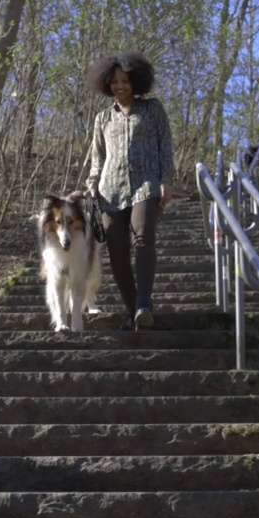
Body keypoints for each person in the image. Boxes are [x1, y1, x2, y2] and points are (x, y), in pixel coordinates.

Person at [85, 50, 174, 331]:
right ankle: (133, 310)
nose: (119, 86)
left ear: (135, 80)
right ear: (106, 85)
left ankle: (145, 303)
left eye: (124, 80)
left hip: (146, 184)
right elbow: (98, 157)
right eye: (114, 82)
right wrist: (91, 185)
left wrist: (166, 180)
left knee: (143, 235)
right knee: (117, 251)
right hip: (110, 192)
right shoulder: (103, 119)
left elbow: (165, 146)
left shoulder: (152, 110)